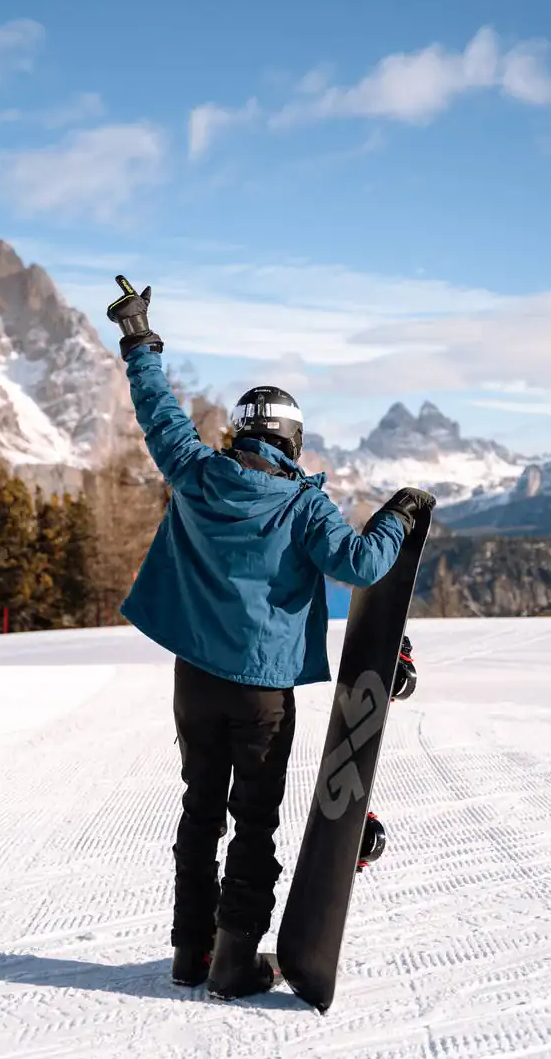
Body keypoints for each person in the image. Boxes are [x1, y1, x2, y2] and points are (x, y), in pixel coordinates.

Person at [106, 276, 435, 1000]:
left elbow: (155, 410)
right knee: (253, 819)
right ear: (292, 440)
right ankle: (233, 961)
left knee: (199, 809)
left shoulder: (195, 471)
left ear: (239, 432)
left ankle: (189, 954)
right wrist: (401, 513)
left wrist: (139, 336)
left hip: (193, 682)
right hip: (262, 693)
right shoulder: (303, 506)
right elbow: (363, 564)